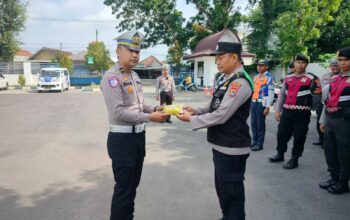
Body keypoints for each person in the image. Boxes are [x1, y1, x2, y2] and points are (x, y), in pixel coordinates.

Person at [176, 41, 254, 220]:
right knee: (223, 189)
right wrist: (195, 109)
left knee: (232, 193)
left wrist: (192, 119)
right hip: (222, 144)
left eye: (220, 58)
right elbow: (213, 105)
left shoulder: (240, 82)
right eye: (216, 59)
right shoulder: (226, 78)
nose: (217, 62)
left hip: (232, 147)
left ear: (234, 57)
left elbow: (221, 115)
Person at [100, 30, 169, 220]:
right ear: (118, 51)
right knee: (124, 188)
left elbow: (139, 105)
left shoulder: (135, 76)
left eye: (137, 51)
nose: (135, 55)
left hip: (138, 138)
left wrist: (154, 107)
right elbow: (118, 112)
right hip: (122, 140)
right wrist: (149, 117)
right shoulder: (111, 78)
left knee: (132, 186)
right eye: (130, 50)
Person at [269, 54, 322, 169]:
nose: (300, 65)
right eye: (298, 62)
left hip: (302, 114)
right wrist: (278, 110)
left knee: (299, 136)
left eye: (303, 62)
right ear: (294, 63)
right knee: (281, 134)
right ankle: (280, 154)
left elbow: (318, 96)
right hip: (287, 112)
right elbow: (282, 94)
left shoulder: (312, 78)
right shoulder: (288, 78)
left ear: (306, 64)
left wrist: (308, 107)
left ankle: (294, 159)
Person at [319, 47, 350, 194]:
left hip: (345, 121)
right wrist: (323, 120)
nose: (342, 63)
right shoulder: (334, 79)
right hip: (331, 119)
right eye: (340, 60)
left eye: (346, 60)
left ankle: (343, 182)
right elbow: (326, 101)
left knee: (344, 153)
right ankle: (334, 177)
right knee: (329, 150)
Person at [313, 60, 340, 146]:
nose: (335, 67)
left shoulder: (343, 76)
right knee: (319, 122)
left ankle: (330, 142)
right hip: (323, 102)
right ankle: (321, 139)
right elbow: (321, 89)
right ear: (330, 66)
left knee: (332, 123)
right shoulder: (325, 76)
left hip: (336, 103)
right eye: (333, 66)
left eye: (337, 66)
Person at [250, 59, 274, 151]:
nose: (259, 67)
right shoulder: (256, 76)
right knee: (253, 124)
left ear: (267, 67)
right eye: (258, 65)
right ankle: (254, 141)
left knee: (260, 125)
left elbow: (271, 93)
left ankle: (260, 144)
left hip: (262, 103)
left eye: (262, 65)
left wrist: (267, 107)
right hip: (254, 102)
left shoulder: (269, 77)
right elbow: (254, 90)